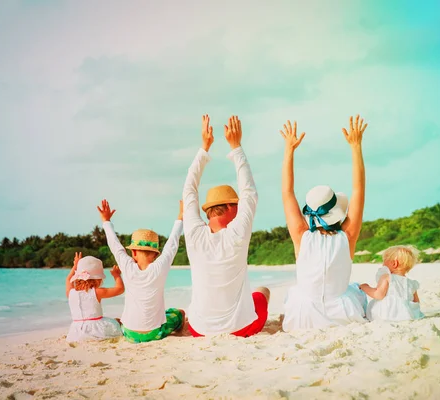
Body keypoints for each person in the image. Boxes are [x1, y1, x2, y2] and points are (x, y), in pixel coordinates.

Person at [183, 115, 269, 337]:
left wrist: (204, 148)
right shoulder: (238, 233)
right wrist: (236, 147)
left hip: (199, 330)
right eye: (237, 205)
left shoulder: (194, 234)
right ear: (231, 207)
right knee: (262, 293)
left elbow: (189, 190)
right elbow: (249, 192)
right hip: (240, 330)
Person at [280, 116, 369, 331]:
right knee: (358, 290)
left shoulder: (301, 235)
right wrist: (356, 146)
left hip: (303, 317)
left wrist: (289, 150)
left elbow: (287, 192)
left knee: (294, 293)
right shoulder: (347, 235)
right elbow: (359, 189)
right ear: (336, 211)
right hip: (343, 314)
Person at [98, 199, 185, 343]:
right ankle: (180, 331)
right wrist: (180, 216)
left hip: (129, 334)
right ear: (156, 254)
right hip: (154, 334)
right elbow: (172, 245)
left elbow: (115, 245)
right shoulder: (159, 267)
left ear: (133, 253)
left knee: (122, 320)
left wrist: (106, 221)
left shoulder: (127, 266)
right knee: (178, 313)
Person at [65, 252, 124, 342]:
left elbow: (68, 279)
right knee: (118, 322)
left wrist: (75, 266)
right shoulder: (97, 292)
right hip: (96, 330)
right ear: (98, 280)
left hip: (76, 332)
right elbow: (120, 289)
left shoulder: (70, 293)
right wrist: (117, 276)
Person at [360, 245, 424, 321]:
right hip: (407, 314)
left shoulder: (387, 277)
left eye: (384, 261)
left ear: (394, 263)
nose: (383, 264)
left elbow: (378, 295)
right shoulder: (412, 283)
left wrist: (365, 287)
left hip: (388, 313)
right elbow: (416, 302)